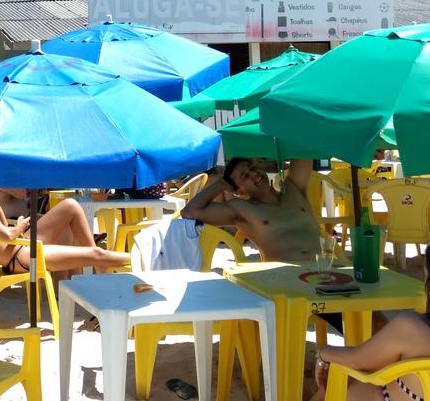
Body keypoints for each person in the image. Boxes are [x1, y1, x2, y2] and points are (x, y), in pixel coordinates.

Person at [311, 246, 430, 401]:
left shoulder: (412, 328)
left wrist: (323, 355)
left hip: (383, 395)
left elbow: (357, 361)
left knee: (331, 383)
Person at [0, 180, 130, 274]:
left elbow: (2, 227)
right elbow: (8, 235)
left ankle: (101, 269)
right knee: (97, 253)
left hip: (18, 247)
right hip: (21, 256)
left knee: (70, 205)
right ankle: (141, 258)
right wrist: (20, 226)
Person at [181, 157, 320, 262]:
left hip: (325, 271)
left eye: (252, 168)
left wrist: (261, 162)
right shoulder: (243, 210)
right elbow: (189, 212)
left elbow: (303, 150)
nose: (254, 174)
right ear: (239, 191)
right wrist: (222, 183)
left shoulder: (294, 188)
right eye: (245, 176)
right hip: (287, 278)